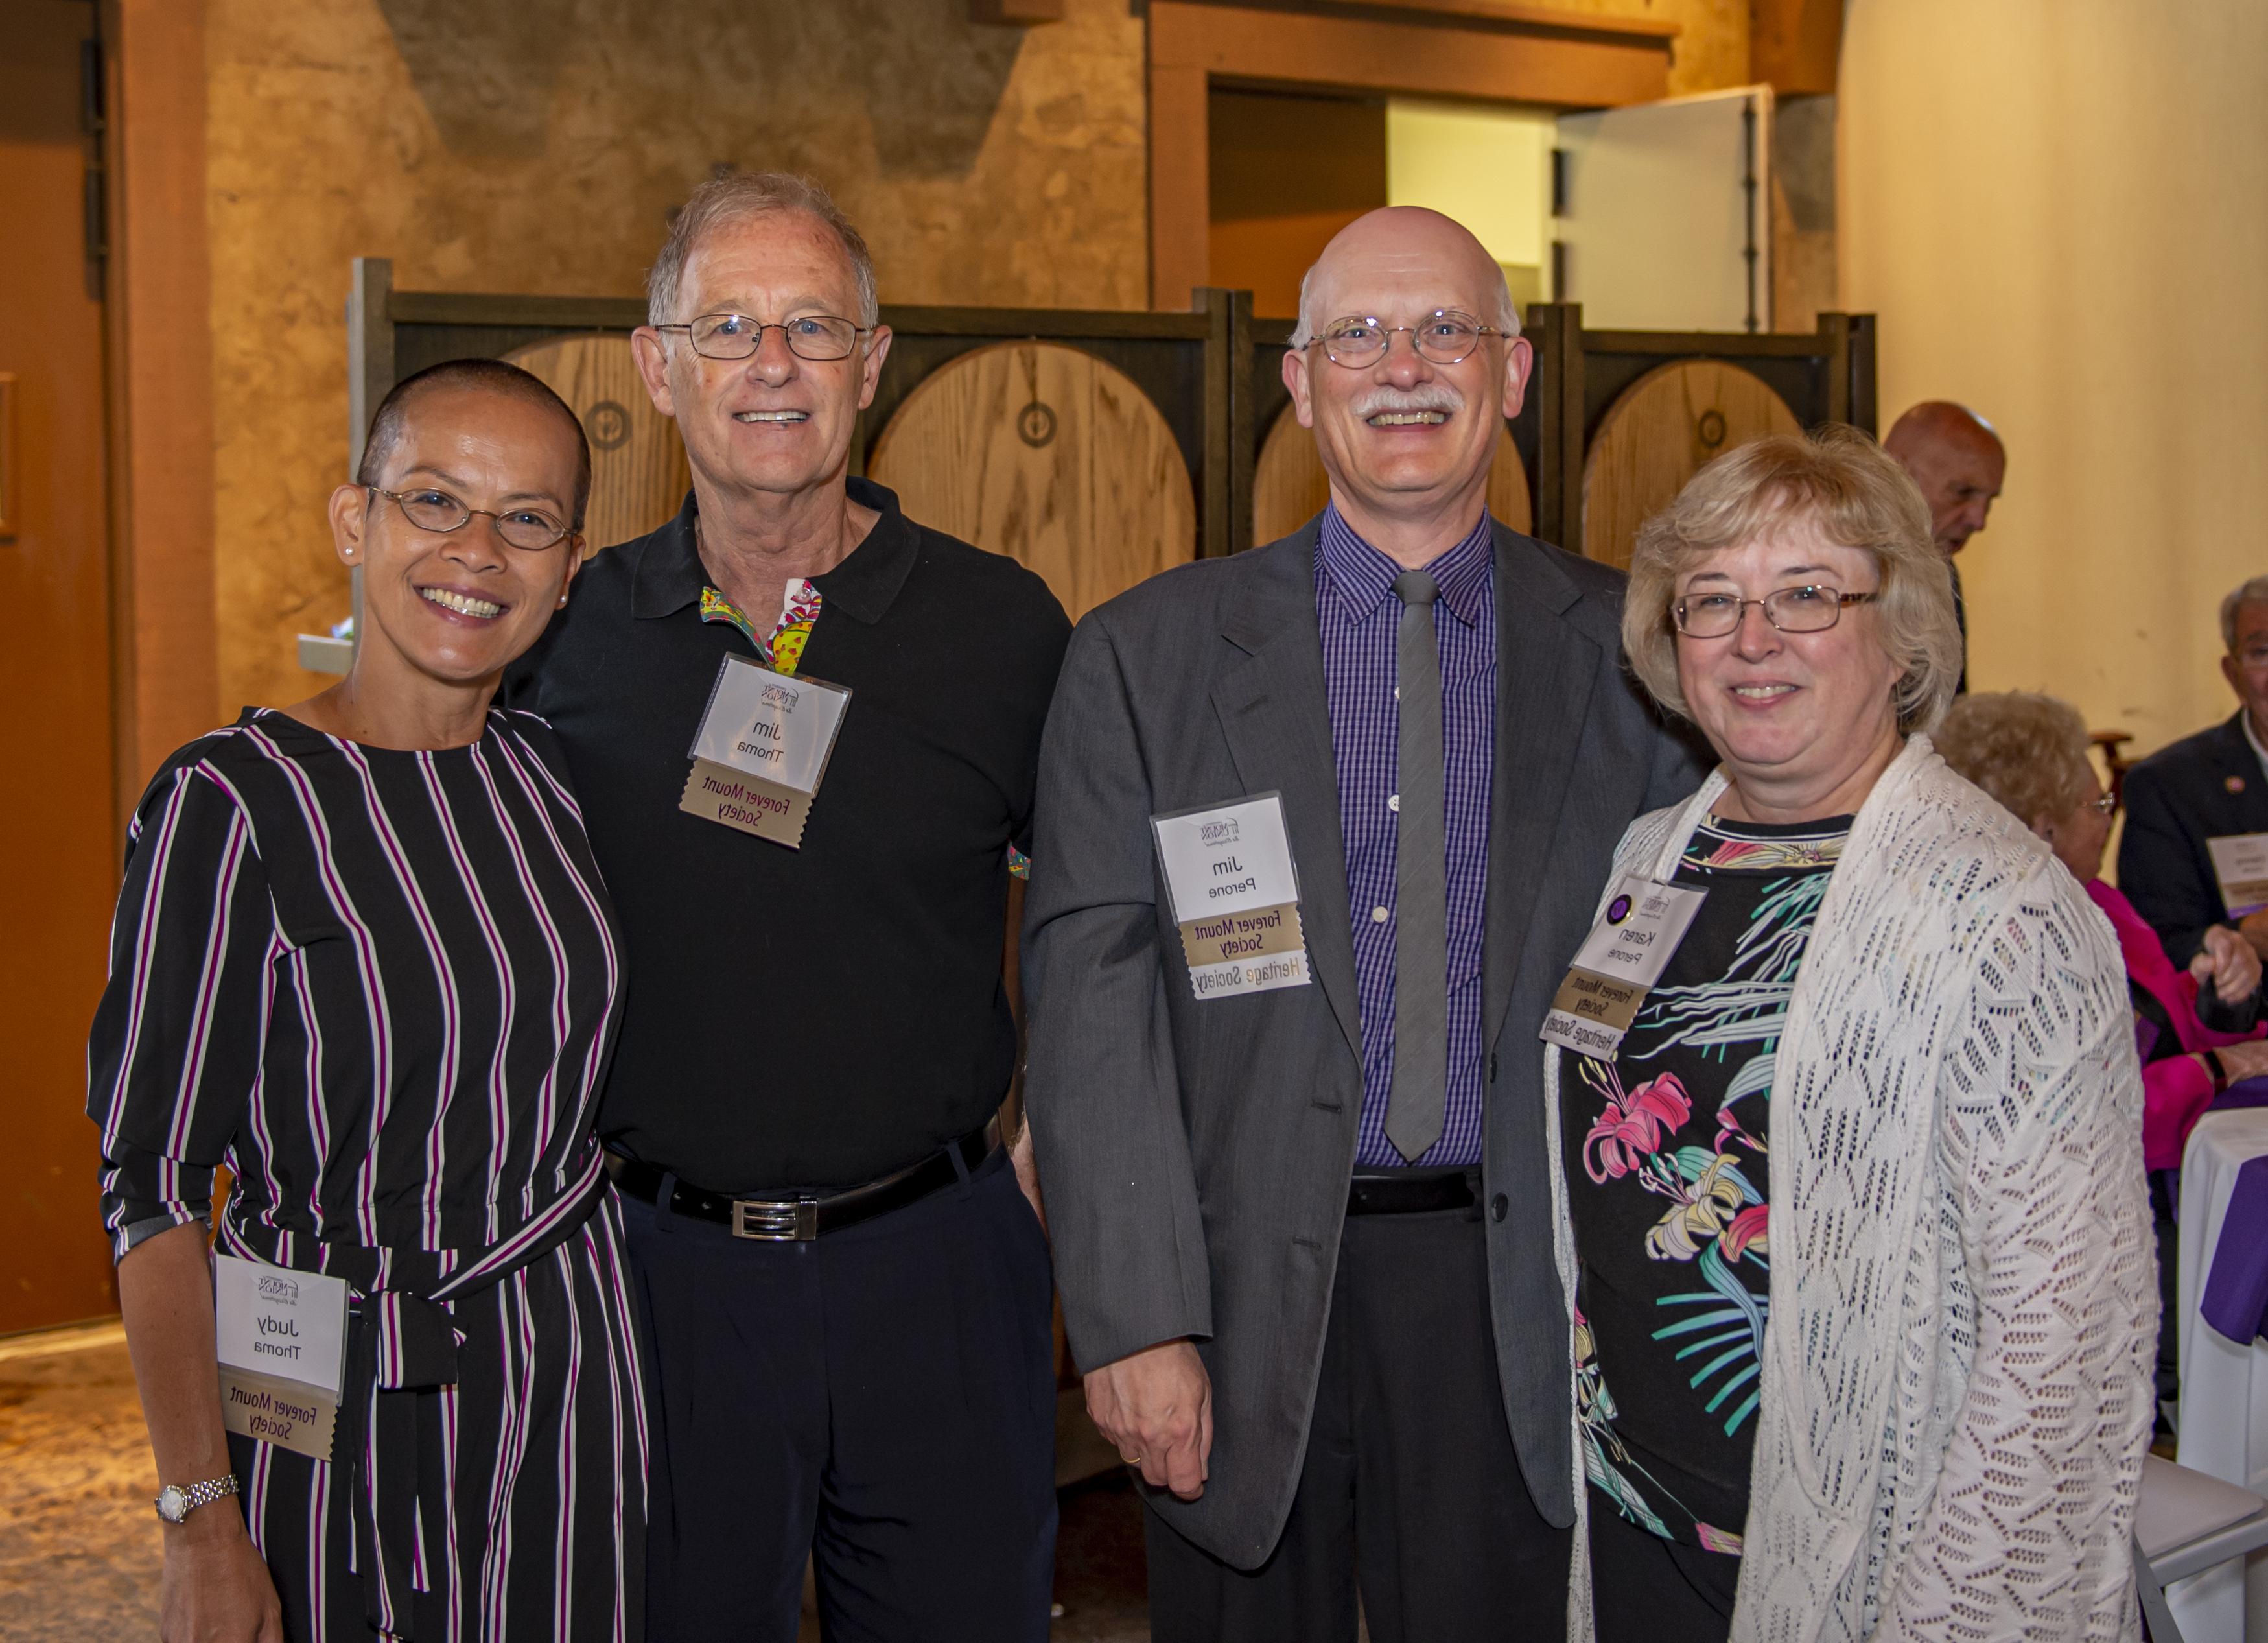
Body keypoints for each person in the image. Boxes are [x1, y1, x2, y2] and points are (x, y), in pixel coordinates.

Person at [1022, 205, 1707, 1642]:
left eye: (1447, 328)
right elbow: (1094, 1011)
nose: (1405, 365)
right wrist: (1138, 1319)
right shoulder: (1143, 659)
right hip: (1232, 1293)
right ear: (1299, 378)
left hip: (1525, 1305)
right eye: (1360, 335)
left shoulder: (1639, 660)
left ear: (1511, 373)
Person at [502, 171, 1070, 1641]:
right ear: (656, 364)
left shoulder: (1001, 628)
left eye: (813, 328)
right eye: (730, 326)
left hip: (937, 1265)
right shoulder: (559, 636)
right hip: (649, 1278)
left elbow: (1101, 920)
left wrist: (1063, 1148)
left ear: (871, 367)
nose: (771, 365)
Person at [1555, 426, 2153, 1640]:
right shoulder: (1654, 854)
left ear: (1901, 636)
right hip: (1637, 1520)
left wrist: (1959, 1611)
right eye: (1710, 598)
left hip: (1875, 1563)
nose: (1751, 637)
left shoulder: (2003, 913)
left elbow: (2064, 1341)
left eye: (1806, 594)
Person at [89, 359, 647, 1640]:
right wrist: (199, 1520)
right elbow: (153, 1190)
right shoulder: (230, 802)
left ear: (570, 567)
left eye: (526, 518)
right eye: (435, 500)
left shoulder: (552, 779)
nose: (476, 552)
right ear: (357, 520)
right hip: (319, 1381)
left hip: (568, 1367)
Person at [1937, 688, 2267, 1423]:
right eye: (2097, 804)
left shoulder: (2098, 903)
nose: (2108, 818)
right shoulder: (2013, 944)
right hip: (2078, 1247)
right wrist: (2214, 1071)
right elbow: (2080, 1119)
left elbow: (2170, 1022)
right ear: (2043, 826)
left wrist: (2220, 989)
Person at [2120, 574, 2268, 968]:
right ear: (2232, 672)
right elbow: (2154, 945)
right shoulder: (2169, 787)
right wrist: (2241, 938)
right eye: (2263, 652)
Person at [1882, 399, 2004, 691]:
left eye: (1989, 501)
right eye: (1962, 492)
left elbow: (1945, 713)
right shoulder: (1836, 566)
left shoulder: (1942, 573)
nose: (1979, 520)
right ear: (1899, 473)